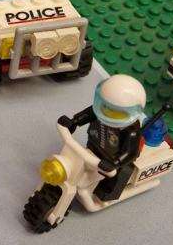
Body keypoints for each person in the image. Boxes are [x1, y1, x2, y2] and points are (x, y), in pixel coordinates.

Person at [57, 74, 146, 202]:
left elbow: (129, 152)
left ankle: (105, 192)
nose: (108, 113)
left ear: (133, 112)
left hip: (111, 159)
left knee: (118, 175)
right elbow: (88, 113)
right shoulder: (100, 111)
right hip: (94, 145)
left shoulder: (131, 131)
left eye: (117, 113)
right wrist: (74, 121)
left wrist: (116, 163)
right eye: (105, 107)